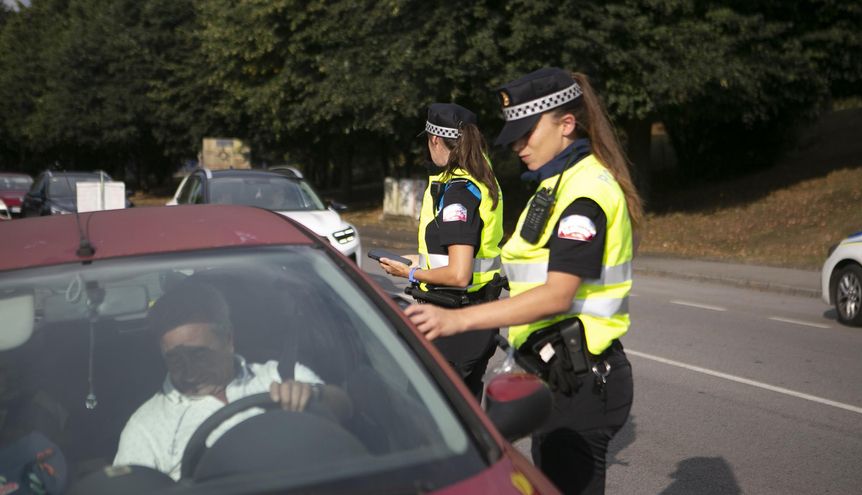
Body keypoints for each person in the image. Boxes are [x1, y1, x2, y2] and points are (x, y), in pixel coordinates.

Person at [405, 68, 643, 495]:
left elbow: (557, 294)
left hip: (582, 381)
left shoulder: (585, 192)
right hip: (554, 371)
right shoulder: (555, 183)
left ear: (566, 124)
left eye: (527, 133)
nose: (518, 145)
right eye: (514, 135)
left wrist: (457, 321)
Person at [113, 281, 351, 480]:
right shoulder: (145, 428)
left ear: (228, 340)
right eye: (174, 359)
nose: (189, 371)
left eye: (198, 354)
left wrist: (314, 395)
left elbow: (345, 408)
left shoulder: (278, 375)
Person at [379, 102, 504, 400]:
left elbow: (459, 274)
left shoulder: (458, 192)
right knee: (465, 423)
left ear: (435, 139)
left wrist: (408, 272)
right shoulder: (478, 180)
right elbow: (462, 255)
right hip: (474, 321)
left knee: (429, 421)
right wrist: (417, 260)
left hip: (454, 326)